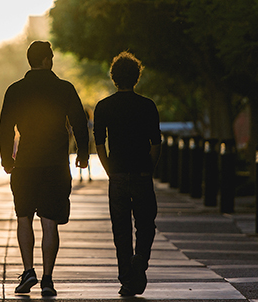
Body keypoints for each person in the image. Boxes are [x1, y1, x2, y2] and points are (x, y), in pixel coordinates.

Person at [0, 40, 89, 297]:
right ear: (48, 60)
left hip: (26, 163)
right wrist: (83, 153)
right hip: (55, 164)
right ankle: (48, 278)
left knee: (23, 217)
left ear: (30, 60)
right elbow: (79, 123)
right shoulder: (64, 88)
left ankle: (28, 271)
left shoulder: (16, 90)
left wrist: (7, 159)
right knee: (50, 223)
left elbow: (5, 126)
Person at [93, 51, 161, 297]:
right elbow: (156, 144)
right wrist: (149, 168)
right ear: (136, 77)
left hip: (118, 174)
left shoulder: (104, 107)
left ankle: (126, 279)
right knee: (146, 224)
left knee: (120, 228)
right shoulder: (147, 106)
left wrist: (109, 169)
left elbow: (99, 144)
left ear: (113, 78)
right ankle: (140, 260)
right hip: (142, 172)